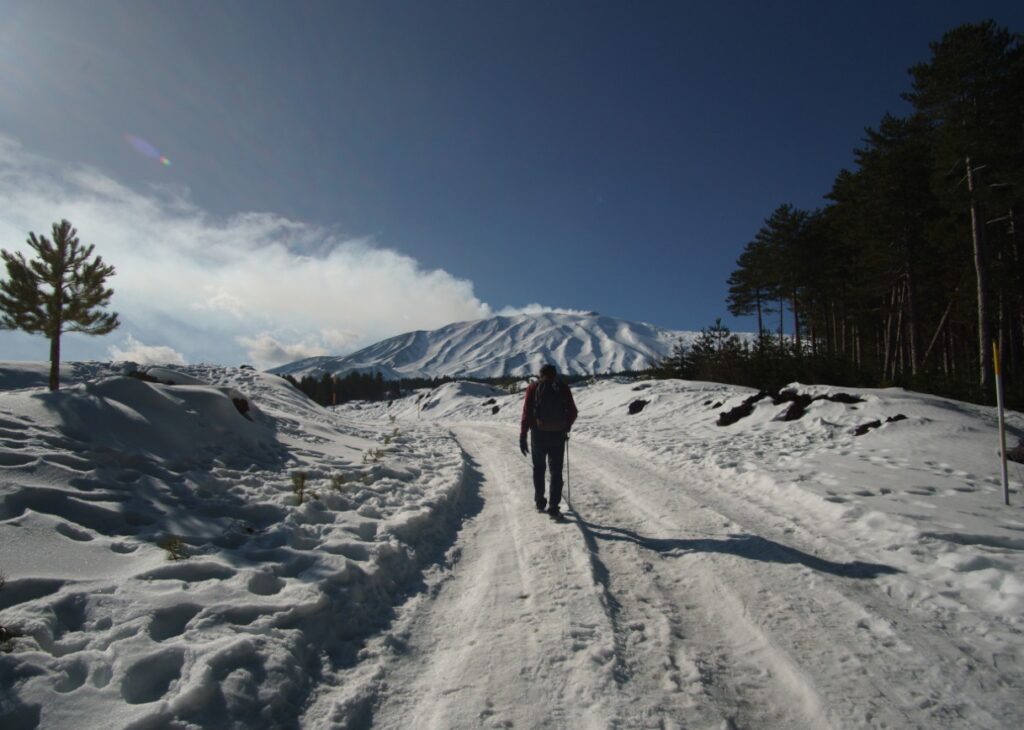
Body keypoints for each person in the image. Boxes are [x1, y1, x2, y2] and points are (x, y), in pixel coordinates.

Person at [519, 363, 578, 517]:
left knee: (539, 468)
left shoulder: (533, 388)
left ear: (540, 374)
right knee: (556, 471)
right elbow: (573, 411)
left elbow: (526, 414)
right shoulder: (563, 388)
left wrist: (523, 435)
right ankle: (553, 507)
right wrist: (566, 426)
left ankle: (539, 501)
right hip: (558, 435)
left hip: (538, 435)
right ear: (555, 374)